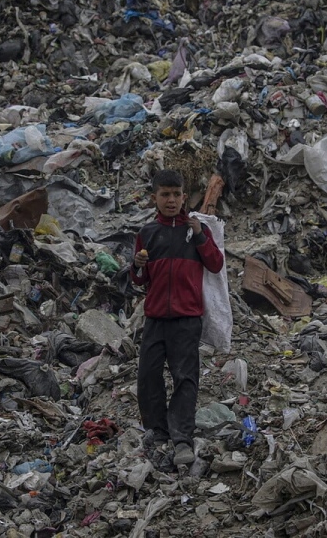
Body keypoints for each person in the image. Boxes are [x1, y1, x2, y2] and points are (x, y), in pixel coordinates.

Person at [130, 169, 224, 465]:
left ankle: (181, 438)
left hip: (186, 318)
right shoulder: (147, 233)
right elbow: (138, 280)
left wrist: (198, 236)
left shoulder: (197, 231)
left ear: (185, 197)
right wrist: (138, 265)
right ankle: (157, 433)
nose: (171, 200)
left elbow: (216, 264)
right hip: (156, 318)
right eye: (164, 195)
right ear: (154, 198)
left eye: (176, 194)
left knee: (185, 378)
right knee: (148, 377)